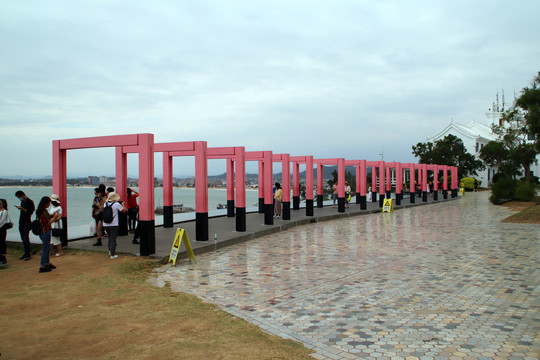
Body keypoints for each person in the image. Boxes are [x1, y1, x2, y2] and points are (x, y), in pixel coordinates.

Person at [102, 192, 126, 260]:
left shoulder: (105, 204)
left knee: (109, 238)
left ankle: (110, 251)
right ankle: (112, 254)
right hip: (114, 224)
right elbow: (124, 210)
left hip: (106, 224)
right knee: (113, 239)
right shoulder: (116, 204)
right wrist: (123, 205)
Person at [36, 196, 56, 273]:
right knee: (45, 248)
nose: (49, 205)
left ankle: (46, 263)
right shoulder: (43, 212)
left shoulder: (41, 211)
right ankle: (42, 265)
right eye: (48, 203)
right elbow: (47, 222)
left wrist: (51, 217)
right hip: (45, 231)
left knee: (47, 248)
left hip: (42, 231)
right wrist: (53, 219)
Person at [14, 190, 35, 261]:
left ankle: (28, 253)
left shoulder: (30, 202)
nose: (19, 198)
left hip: (27, 222)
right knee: (22, 238)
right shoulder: (22, 202)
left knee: (26, 237)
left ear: (22, 195)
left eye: (19, 197)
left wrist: (22, 209)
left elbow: (30, 212)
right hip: (21, 222)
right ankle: (25, 252)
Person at [0, 199, 12, 264]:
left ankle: (3, 256)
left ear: (3, 204)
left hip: (2, 229)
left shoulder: (5, 211)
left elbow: (2, 221)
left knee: (2, 242)